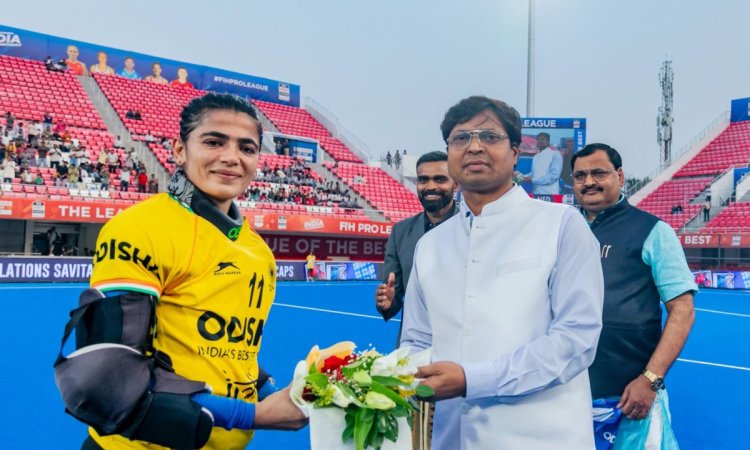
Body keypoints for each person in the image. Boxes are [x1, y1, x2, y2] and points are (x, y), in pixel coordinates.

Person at [54, 93, 307, 450]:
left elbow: (230, 351)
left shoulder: (259, 251)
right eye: (214, 142)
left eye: (247, 148)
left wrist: (282, 393)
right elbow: (109, 380)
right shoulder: (140, 228)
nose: (231, 157)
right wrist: (253, 415)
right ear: (179, 150)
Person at [400, 95, 604, 450]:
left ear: (514, 152)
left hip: (542, 439)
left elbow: (575, 340)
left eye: (489, 136)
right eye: (460, 138)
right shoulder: (430, 245)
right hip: (451, 437)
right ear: (449, 154)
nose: (474, 147)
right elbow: (416, 342)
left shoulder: (561, 225)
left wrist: (472, 379)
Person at [571, 143, 696, 448]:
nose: (589, 182)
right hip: (565, 393)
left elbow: (682, 311)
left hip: (628, 396)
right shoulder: (562, 230)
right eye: (580, 176)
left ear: (620, 176)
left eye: (599, 173)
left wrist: (650, 379)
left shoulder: (653, 231)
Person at [375, 151, 458, 344]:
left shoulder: (473, 227)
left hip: (459, 347)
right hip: (412, 348)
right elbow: (394, 292)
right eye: (423, 180)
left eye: (440, 179)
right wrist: (387, 301)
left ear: (456, 184)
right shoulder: (400, 232)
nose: (431, 186)